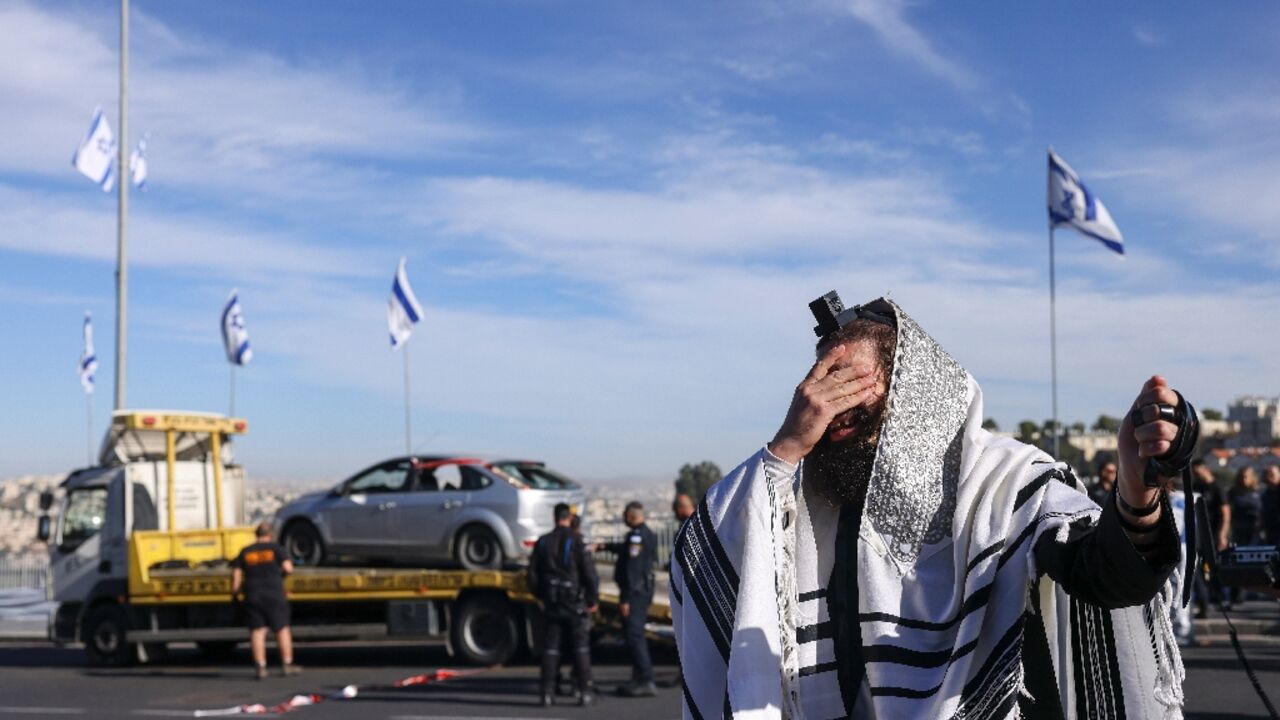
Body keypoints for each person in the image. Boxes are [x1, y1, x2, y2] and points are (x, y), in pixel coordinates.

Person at [672, 295, 1187, 719]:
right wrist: (784, 448)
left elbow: (1110, 577)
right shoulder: (805, 500)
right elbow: (705, 555)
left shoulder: (1004, 483)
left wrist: (1137, 488)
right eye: (822, 384)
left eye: (851, 383)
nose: (829, 404)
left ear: (914, 390)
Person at [528, 503, 598, 707]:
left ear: (554, 517)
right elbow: (589, 574)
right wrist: (592, 600)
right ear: (569, 518)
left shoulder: (542, 542)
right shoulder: (577, 541)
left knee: (550, 649)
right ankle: (584, 691)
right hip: (574, 603)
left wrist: (541, 595)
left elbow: (532, 575)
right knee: (580, 648)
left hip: (552, 603)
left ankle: (547, 693)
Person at [230, 521, 299, 679]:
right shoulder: (275, 549)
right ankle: (287, 664)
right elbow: (289, 568)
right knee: (281, 629)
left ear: (257, 535)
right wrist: (280, 575)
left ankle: (260, 667)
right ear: (270, 535)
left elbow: (236, 573)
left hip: (253, 594)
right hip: (274, 593)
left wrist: (235, 592)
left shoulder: (246, 551)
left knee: (257, 631)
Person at [603, 501, 658, 697]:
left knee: (635, 636)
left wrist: (625, 598)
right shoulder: (647, 534)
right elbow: (626, 550)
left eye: (625, 515)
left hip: (635, 594)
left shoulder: (636, 537)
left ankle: (646, 679)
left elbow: (632, 569)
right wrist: (605, 546)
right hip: (643, 592)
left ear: (631, 516)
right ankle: (638, 678)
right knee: (635, 635)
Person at [1190, 459, 1231, 615]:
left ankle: (1221, 598)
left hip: (1214, 533)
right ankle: (1204, 601)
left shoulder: (1217, 488)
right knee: (1200, 569)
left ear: (1205, 468)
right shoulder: (1197, 487)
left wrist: (1222, 534)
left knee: (1214, 567)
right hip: (1199, 534)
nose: (1196, 474)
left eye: (1197, 471)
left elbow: (1225, 513)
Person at [1228, 466, 1262, 547]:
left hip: (1255, 527)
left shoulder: (1259, 492)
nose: (1244, 479)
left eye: (1246, 477)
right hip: (1239, 527)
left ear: (1252, 477)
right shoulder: (1233, 492)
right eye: (1241, 476)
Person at [1262, 465, 1280, 544]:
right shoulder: (1266, 493)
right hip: (1271, 532)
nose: (1269, 477)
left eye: (1272, 475)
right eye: (1267, 475)